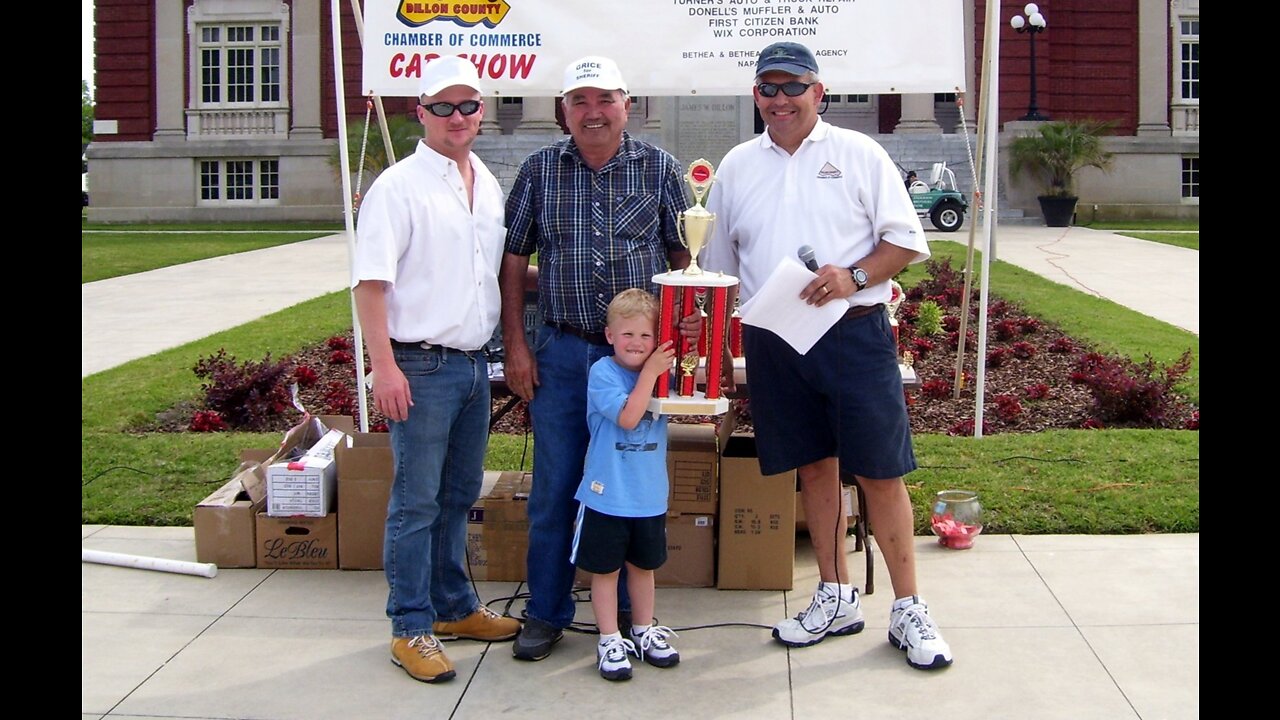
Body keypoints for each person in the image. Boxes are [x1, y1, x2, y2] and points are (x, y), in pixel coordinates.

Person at [700, 41, 953, 671]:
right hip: (775, 337)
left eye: (793, 87)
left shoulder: (859, 153)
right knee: (812, 468)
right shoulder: (736, 164)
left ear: (820, 91)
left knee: (879, 472)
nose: (779, 100)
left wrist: (854, 278)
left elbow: (904, 243)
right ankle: (835, 595)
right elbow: (720, 266)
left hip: (852, 332)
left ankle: (909, 608)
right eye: (768, 89)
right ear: (755, 95)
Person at [499, 54, 699, 662]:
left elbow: (684, 252)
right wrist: (515, 345)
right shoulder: (538, 170)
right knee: (556, 487)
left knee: (636, 483)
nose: (593, 112)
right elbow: (512, 265)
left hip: (636, 362)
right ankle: (547, 612)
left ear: (626, 105)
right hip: (561, 354)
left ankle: (638, 620)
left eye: (605, 99)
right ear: (563, 110)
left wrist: (686, 320)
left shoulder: (661, 169)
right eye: (580, 101)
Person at [351, 55, 520, 684]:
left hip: (475, 367)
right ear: (419, 112)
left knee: (457, 498)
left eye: (469, 105)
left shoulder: (487, 182)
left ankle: (454, 608)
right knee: (415, 504)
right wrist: (384, 368)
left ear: (481, 111)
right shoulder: (398, 187)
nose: (458, 117)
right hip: (418, 367)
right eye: (443, 106)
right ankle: (410, 626)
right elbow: (370, 287)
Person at [571, 288, 681, 681]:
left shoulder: (663, 375)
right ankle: (608, 638)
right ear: (609, 336)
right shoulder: (603, 372)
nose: (637, 344)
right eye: (628, 334)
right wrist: (651, 372)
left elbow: (700, 381)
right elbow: (629, 418)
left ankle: (643, 629)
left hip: (648, 496)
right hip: (607, 496)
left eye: (646, 336)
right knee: (606, 571)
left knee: (644, 568)